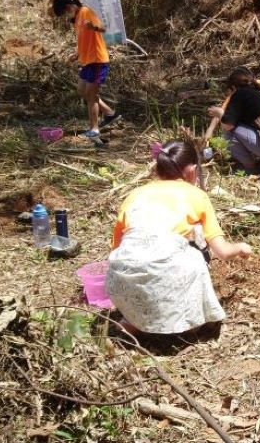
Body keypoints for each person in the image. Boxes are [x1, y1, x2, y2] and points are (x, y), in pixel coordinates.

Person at [107, 141, 252, 336]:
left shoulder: (134, 195)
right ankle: (189, 326)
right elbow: (223, 252)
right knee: (195, 255)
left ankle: (131, 323)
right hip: (167, 274)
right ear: (192, 171)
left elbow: (118, 248)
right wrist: (241, 247)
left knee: (147, 263)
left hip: (121, 277)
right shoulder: (196, 195)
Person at [52, 0, 121, 139]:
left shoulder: (86, 12)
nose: (65, 16)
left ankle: (94, 129)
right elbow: (85, 39)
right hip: (87, 61)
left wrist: (93, 27)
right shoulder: (77, 19)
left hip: (97, 59)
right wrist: (77, 54)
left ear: (69, 6)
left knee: (91, 95)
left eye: (64, 12)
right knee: (82, 90)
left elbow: (103, 28)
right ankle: (109, 113)